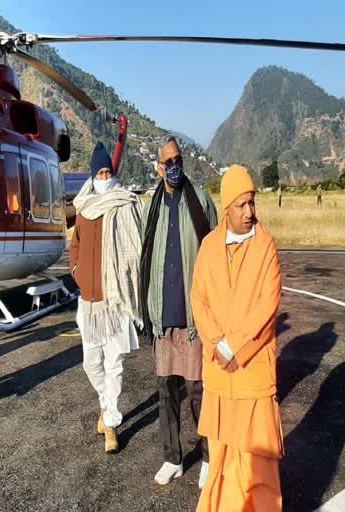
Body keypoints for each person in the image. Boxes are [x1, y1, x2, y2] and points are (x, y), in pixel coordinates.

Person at [191, 165, 284, 510]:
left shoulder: (266, 247)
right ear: (226, 208)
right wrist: (216, 343)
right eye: (241, 205)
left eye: (252, 203)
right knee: (222, 460)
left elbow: (266, 307)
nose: (249, 212)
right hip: (218, 375)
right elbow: (198, 298)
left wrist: (232, 347)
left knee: (258, 465)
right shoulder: (209, 246)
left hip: (252, 374)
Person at [140, 137, 217, 488]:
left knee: (198, 391)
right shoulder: (151, 207)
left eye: (178, 158)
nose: (174, 165)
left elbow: (216, 254)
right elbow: (145, 260)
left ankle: (208, 457)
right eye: (168, 161)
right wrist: (146, 310)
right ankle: (172, 458)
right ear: (159, 166)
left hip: (192, 318)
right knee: (166, 391)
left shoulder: (200, 201)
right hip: (163, 318)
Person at [70, 142, 143, 454]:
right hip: (89, 301)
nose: (105, 176)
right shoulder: (84, 208)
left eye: (108, 171)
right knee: (91, 363)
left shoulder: (124, 205)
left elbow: (136, 246)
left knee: (114, 364)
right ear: (92, 175)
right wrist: (76, 271)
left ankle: (111, 423)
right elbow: (75, 244)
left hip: (115, 301)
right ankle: (105, 404)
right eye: (100, 172)